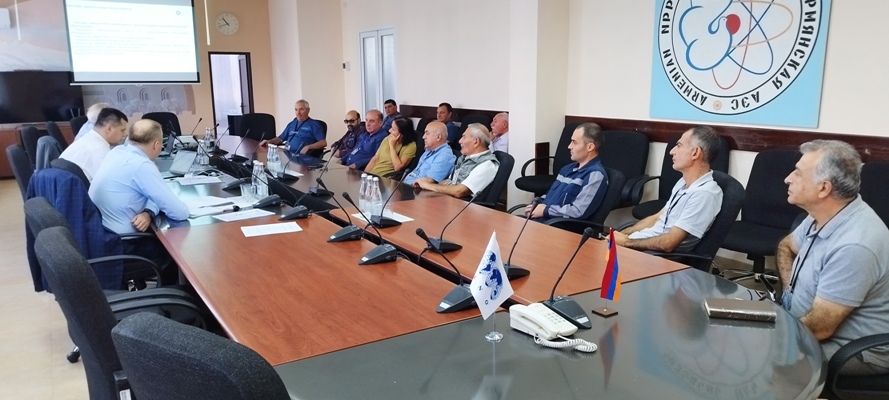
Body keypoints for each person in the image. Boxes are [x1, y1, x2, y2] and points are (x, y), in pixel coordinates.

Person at [776, 140, 889, 376]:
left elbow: (820, 329)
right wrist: (789, 292)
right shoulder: (822, 214)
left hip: (851, 350)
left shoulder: (855, 245)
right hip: (806, 324)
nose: (787, 179)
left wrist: (770, 338)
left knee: (763, 362)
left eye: (798, 173)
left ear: (824, 189)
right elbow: (786, 246)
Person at [89, 119, 188, 284]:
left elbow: (153, 195)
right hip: (123, 245)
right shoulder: (141, 165)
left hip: (103, 238)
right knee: (178, 252)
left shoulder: (117, 152)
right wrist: (154, 206)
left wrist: (148, 212)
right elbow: (179, 213)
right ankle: (172, 297)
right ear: (156, 145)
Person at [614, 126, 723, 253]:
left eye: (679, 145)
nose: (672, 151)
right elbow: (658, 217)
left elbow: (668, 243)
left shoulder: (704, 195)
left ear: (695, 153)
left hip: (655, 255)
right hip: (643, 243)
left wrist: (626, 243)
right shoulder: (683, 182)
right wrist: (624, 234)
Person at [525, 122, 607, 221]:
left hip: (557, 225)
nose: (569, 146)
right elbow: (550, 195)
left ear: (590, 147)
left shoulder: (595, 175)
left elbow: (578, 211)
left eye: (574, 142)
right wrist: (536, 205)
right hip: (542, 220)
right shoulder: (566, 169)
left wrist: (545, 210)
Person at [415, 123, 498, 199]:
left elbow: (459, 191)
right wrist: (426, 186)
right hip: (447, 201)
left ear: (476, 142)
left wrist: (427, 185)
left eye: (464, 137)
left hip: (462, 206)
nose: (460, 141)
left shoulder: (487, 165)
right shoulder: (465, 158)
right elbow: (450, 182)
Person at [59, 107, 128, 181]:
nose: (124, 135)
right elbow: (113, 181)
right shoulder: (99, 150)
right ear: (109, 129)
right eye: (122, 130)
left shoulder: (85, 139)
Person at [259, 99, 326, 155]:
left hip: (301, 157)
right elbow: (280, 138)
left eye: (301, 109)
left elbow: (323, 142)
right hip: (287, 154)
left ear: (308, 110)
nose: (298, 112)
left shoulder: (314, 125)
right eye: (296, 110)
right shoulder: (292, 124)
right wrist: (269, 141)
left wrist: (308, 147)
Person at [403, 121, 456, 185]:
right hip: (405, 184)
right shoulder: (429, 150)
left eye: (427, 133)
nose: (423, 137)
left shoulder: (444, 156)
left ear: (438, 137)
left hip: (415, 189)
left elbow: (428, 183)